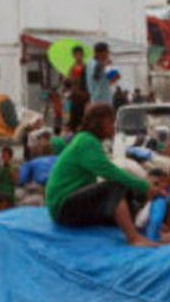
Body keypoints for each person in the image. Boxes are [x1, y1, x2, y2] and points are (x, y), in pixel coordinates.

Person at [45, 104, 155, 246]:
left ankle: (155, 233)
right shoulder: (86, 142)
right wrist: (144, 185)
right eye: (111, 122)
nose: (113, 127)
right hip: (62, 207)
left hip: (70, 204)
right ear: (100, 123)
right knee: (114, 188)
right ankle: (134, 239)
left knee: (124, 200)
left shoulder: (88, 141)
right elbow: (110, 172)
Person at [85, 42, 112, 106]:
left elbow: (111, 79)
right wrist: (103, 65)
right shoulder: (92, 63)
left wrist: (109, 68)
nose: (108, 54)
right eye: (107, 52)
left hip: (106, 99)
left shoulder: (102, 63)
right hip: (98, 100)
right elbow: (95, 76)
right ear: (99, 53)